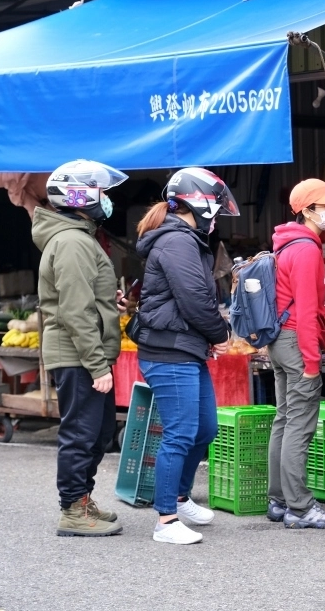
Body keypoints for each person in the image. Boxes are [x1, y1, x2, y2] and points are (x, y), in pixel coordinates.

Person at [136, 168, 240, 545]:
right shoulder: (178, 241)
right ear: (199, 204)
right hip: (168, 350)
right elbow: (195, 299)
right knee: (180, 433)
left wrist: (210, 335)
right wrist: (221, 334)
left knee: (204, 429)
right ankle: (165, 521)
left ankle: (180, 498)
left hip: (184, 347)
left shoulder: (183, 238)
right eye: (216, 209)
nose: (216, 219)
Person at [34, 160, 127, 537]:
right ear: (79, 197)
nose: (105, 199)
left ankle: (82, 498)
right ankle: (72, 509)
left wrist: (108, 301)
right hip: (77, 355)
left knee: (99, 432)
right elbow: (74, 310)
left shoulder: (79, 238)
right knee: (81, 433)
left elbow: (83, 297)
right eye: (99, 192)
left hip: (84, 353)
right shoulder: (72, 242)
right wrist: (97, 366)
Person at [266, 179, 325, 529]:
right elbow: (305, 310)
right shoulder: (306, 250)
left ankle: (278, 500)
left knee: (285, 419)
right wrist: (312, 363)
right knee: (299, 425)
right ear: (307, 211)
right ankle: (299, 507)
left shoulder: (287, 243)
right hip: (296, 343)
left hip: (280, 341)